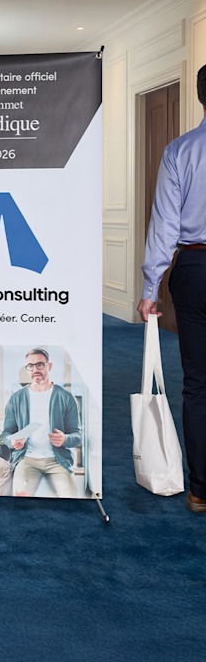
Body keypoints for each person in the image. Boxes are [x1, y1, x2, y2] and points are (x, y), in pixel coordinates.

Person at [138, 63, 206, 513]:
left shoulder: (181, 151)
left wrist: (150, 286)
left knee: (198, 383)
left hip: (195, 269)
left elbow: (165, 225)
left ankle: (201, 488)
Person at [0, 348, 82, 497]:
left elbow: (77, 435)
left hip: (58, 461)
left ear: (49, 366)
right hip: (27, 460)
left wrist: (65, 439)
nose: (35, 370)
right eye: (30, 366)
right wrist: (12, 443)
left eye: (39, 365)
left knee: (71, 498)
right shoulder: (16, 399)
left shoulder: (66, 397)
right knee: (20, 499)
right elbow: (6, 433)